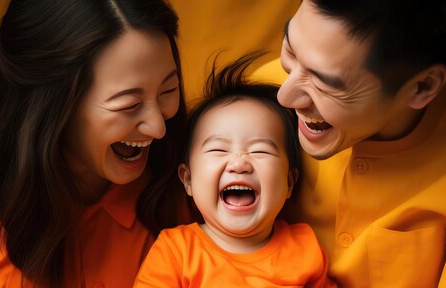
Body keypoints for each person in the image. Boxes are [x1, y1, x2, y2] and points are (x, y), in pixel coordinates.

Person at [261, 0, 446, 286]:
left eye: (325, 83)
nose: (284, 96)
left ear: (423, 87)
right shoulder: (255, 101)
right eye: (290, 50)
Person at [0, 0, 190, 287]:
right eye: (129, 104)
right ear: (52, 105)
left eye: (169, 90)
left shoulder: (192, 178)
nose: (158, 127)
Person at [135, 53, 334, 287]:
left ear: (289, 183)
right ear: (187, 179)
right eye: (219, 149)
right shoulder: (176, 252)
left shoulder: (305, 249)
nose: (239, 163)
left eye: (260, 151)